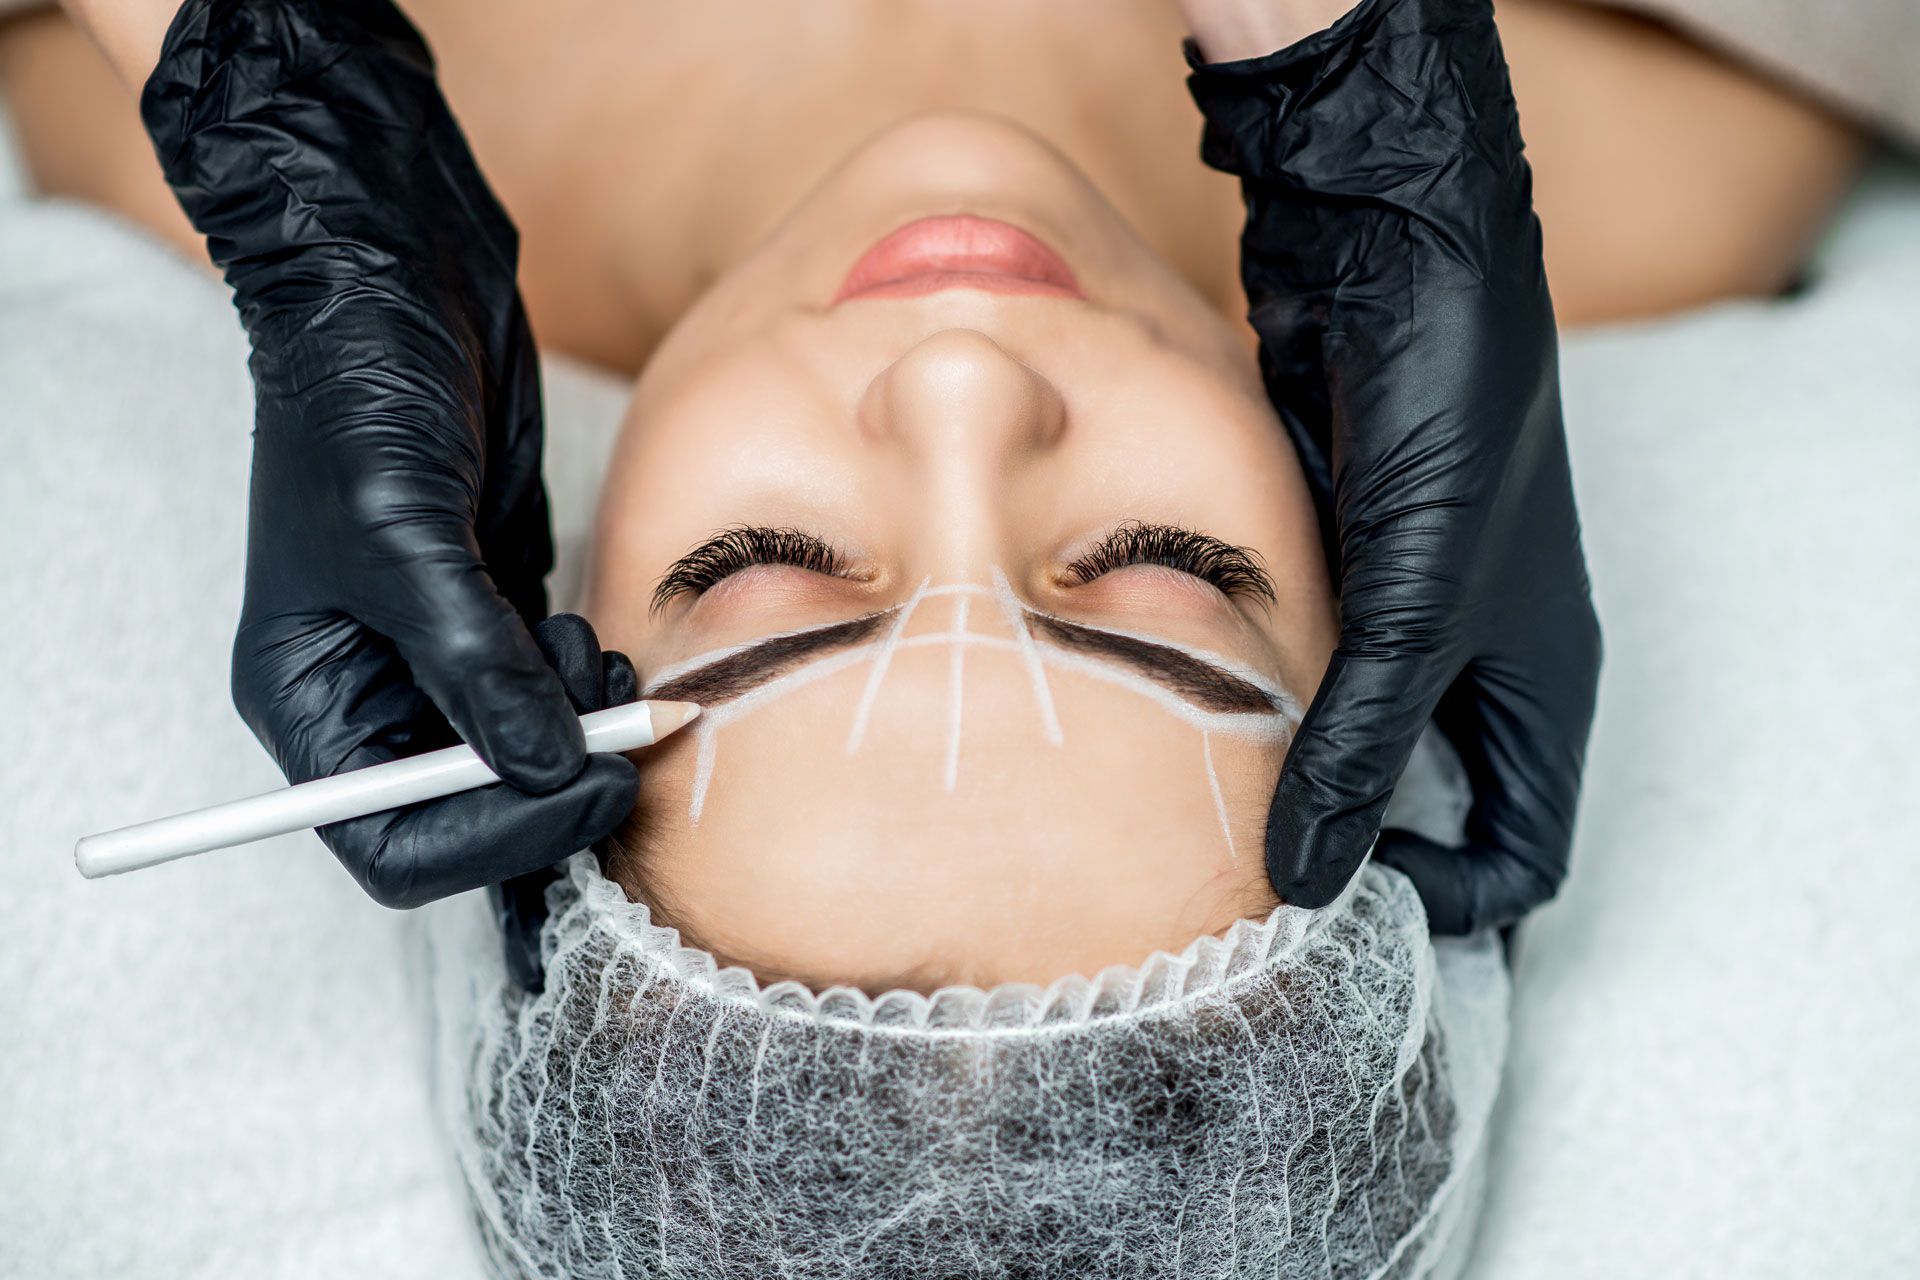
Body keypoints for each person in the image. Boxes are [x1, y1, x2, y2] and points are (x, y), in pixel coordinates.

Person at [8, 0, 1864, 955]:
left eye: (766, 563)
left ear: (541, 600)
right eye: (1160, 565)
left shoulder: (151, 110)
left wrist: (266, 91)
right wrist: (1366, 78)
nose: (964, 388)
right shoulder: (1680, 156)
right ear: (1358, 584)